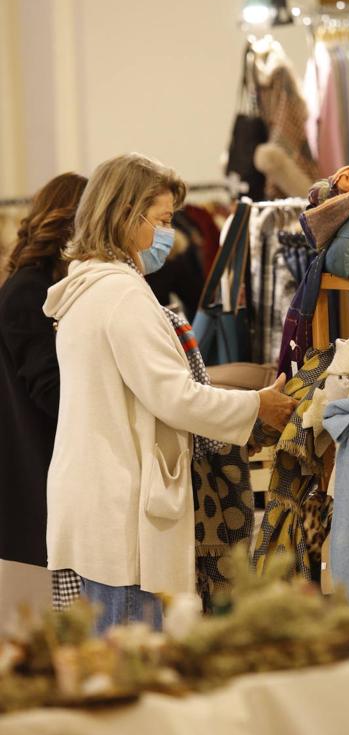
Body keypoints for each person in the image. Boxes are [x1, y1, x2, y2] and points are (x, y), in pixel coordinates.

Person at [43, 154, 296, 632]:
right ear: (126, 215)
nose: (168, 233)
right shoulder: (122, 296)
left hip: (92, 496)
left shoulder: (84, 289)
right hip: (119, 506)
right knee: (134, 657)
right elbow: (175, 397)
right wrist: (256, 405)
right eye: (161, 220)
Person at [0, 173, 88, 585]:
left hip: (63, 454)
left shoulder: (57, 283)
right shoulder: (28, 289)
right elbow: (49, 390)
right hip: (46, 456)